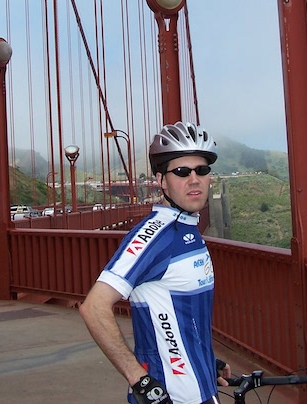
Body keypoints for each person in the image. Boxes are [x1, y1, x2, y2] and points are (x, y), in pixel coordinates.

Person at [80, 121, 231, 404]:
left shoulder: (187, 229)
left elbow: (183, 319)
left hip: (203, 392)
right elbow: (93, 308)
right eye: (182, 172)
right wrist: (141, 381)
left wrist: (205, 360)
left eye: (201, 170)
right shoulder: (153, 236)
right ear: (162, 181)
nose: (194, 179)